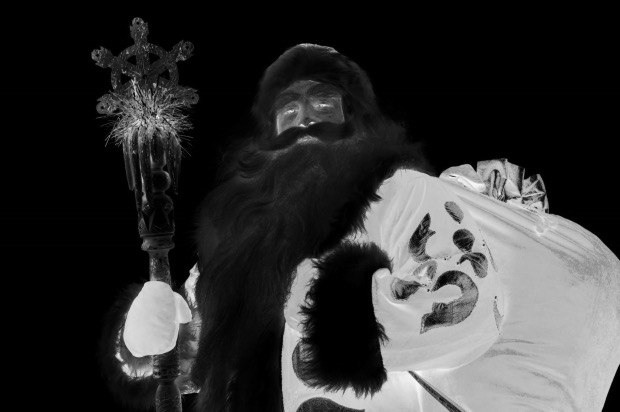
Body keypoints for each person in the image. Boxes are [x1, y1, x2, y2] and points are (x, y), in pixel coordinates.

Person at [100, 44, 620, 411]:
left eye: (323, 103)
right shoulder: (237, 253)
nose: (305, 119)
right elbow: (192, 363)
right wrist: (148, 339)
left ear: (354, 122)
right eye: (288, 110)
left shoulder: (401, 194)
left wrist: (333, 309)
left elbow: (468, 303)